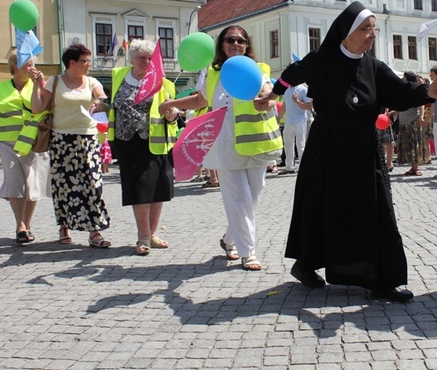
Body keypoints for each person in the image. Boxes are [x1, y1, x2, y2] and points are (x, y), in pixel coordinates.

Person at [253, 1, 437, 302]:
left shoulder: (374, 67)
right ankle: (306, 264)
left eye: (374, 29)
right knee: (322, 208)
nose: (372, 34)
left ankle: (384, 279)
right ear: (347, 33)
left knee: (377, 210)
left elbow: (399, 92)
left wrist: (428, 92)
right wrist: (272, 94)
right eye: (365, 29)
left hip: (364, 149)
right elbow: (293, 72)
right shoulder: (324, 58)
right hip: (328, 147)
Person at [159, 26, 282, 270]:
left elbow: (268, 90)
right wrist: (172, 102)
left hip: (255, 142)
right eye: (230, 40)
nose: (236, 43)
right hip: (225, 144)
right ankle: (249, 253)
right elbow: (199, 100)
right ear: (221, 45)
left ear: (247, 45)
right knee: (239, 199)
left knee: (252, 197)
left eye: (241, 40)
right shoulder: (214, 74)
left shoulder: (259, 69)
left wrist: (266, 99)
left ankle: (229, 240)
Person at [31, 44, 112, 248]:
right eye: (84, 61)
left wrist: (100, 103)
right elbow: (37, 108)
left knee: (93, 185)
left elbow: (102, 96)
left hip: (88, 139)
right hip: (61, 140)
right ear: (71, 63)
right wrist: (35, 86)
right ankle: (64, 226)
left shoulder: (91, 81)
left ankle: (95, 232)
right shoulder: (55, 81)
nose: (88, 64)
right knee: (63, 186)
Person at [0, 53, 51, 243]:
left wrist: (39, 85)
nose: (33, 68)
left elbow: (44, 109)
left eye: (33, 65)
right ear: (16, 68)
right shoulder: (1, 88)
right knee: (15, 183)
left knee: (31, 185)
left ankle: (27, 224)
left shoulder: (39, 86)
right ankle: (20, 226)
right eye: (28, 65)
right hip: (8, 143)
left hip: (33, 142)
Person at [108, 39, 179, 255]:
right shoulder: (119, 75)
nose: (146, 62)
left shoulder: (164, 83)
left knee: (158, 189)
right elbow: (113, 104)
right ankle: (143, 237)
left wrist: (172, 114)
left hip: (156, 142)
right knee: (138, 190)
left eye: (150, 58)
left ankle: (153, 233)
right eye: (142, 57)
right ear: (133, 58)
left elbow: (173, 114)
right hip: (128, 142)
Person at [396, 72, 429, 176]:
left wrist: (421, 117)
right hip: (403, 121)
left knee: (414, 144)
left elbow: (421, 105)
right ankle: (413, 167)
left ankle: (416, 167)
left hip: (413, 120)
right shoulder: (403, 90)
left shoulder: (415, 89)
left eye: (404, 78)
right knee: (407, 145)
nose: (402, 79)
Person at [278, 84, 312, 175]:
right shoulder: (287, 90)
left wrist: (297, 101)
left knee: (300, 145)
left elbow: (309, 106)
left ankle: (303, 167)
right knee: (288, 145)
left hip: (300, 120)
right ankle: (289, 167)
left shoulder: (303, 89)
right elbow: (284, 106)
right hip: (288, 122)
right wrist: (278, 118)